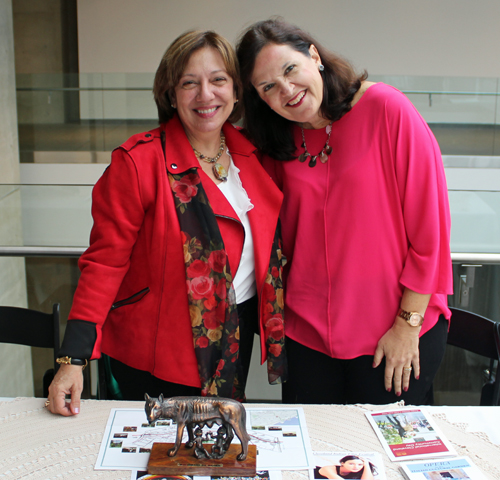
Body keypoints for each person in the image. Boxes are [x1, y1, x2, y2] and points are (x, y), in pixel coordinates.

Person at [45, 30, 287, 416]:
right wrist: (73, 358)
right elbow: (105, 264)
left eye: (218, 80)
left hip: (232, 344)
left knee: (212, 456)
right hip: (154, 360)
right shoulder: (138, 162)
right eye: (189, 83)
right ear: (170, 95)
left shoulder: (254, 157)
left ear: (237, 91)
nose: (205, 95)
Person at [236, 19, 452, 405]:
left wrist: (407, 327)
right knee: (312, 457)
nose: (287, 90)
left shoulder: (387, 108)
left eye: (290, 70)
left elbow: (431, 232)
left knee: (381, 459)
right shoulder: (276, 138)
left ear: (313, 56)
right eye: (268, 86)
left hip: (393, 332)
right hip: (306, 337)